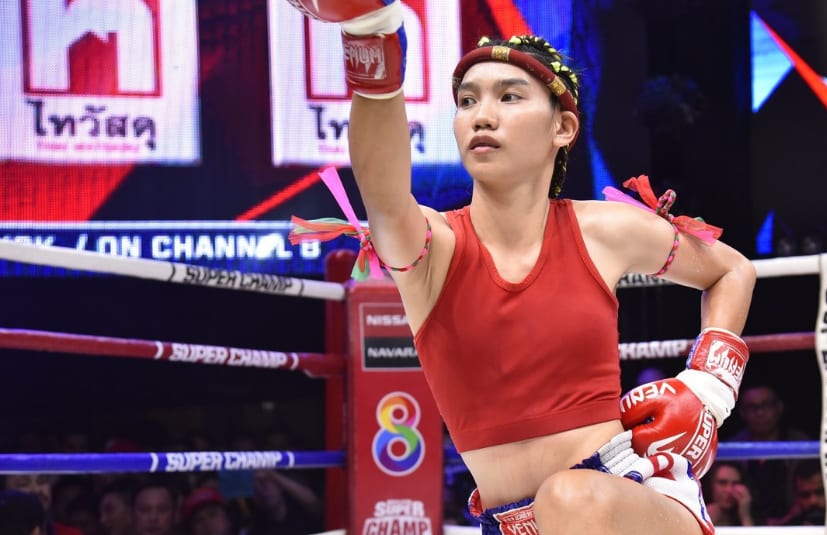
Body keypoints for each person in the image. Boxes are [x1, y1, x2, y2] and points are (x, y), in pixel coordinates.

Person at [286, 2, 755, 533]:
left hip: (629, 495)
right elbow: (385, 196)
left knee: (570, 497)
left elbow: (731, 270)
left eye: (509, 97)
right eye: (467, 101)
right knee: (563, 502)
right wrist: (369, 34)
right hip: (513, 523)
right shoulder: (433, 251)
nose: (482, 115)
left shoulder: (604, 230)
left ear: (563, 127)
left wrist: (708, 391)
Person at [728, 383, 811, 524]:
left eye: (766, 405)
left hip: (796, 524)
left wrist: (786, 519)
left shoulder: (801, 444)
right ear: (742, 413)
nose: (760, 413)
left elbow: (812, 489)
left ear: (779, 407)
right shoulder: (731, 449)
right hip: (743, 524)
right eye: (752, 407)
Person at [772, 459, 825, 526]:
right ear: (797, 497)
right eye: (805, 495)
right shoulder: (789, 529)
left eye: (819, 492)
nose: (813, 501)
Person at [704, 462, 754, 527]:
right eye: (722, 483)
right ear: (711, 484)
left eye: (735, 483)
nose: (729, 490)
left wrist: (745, 516)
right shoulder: (697, 512)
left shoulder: (745, 515)